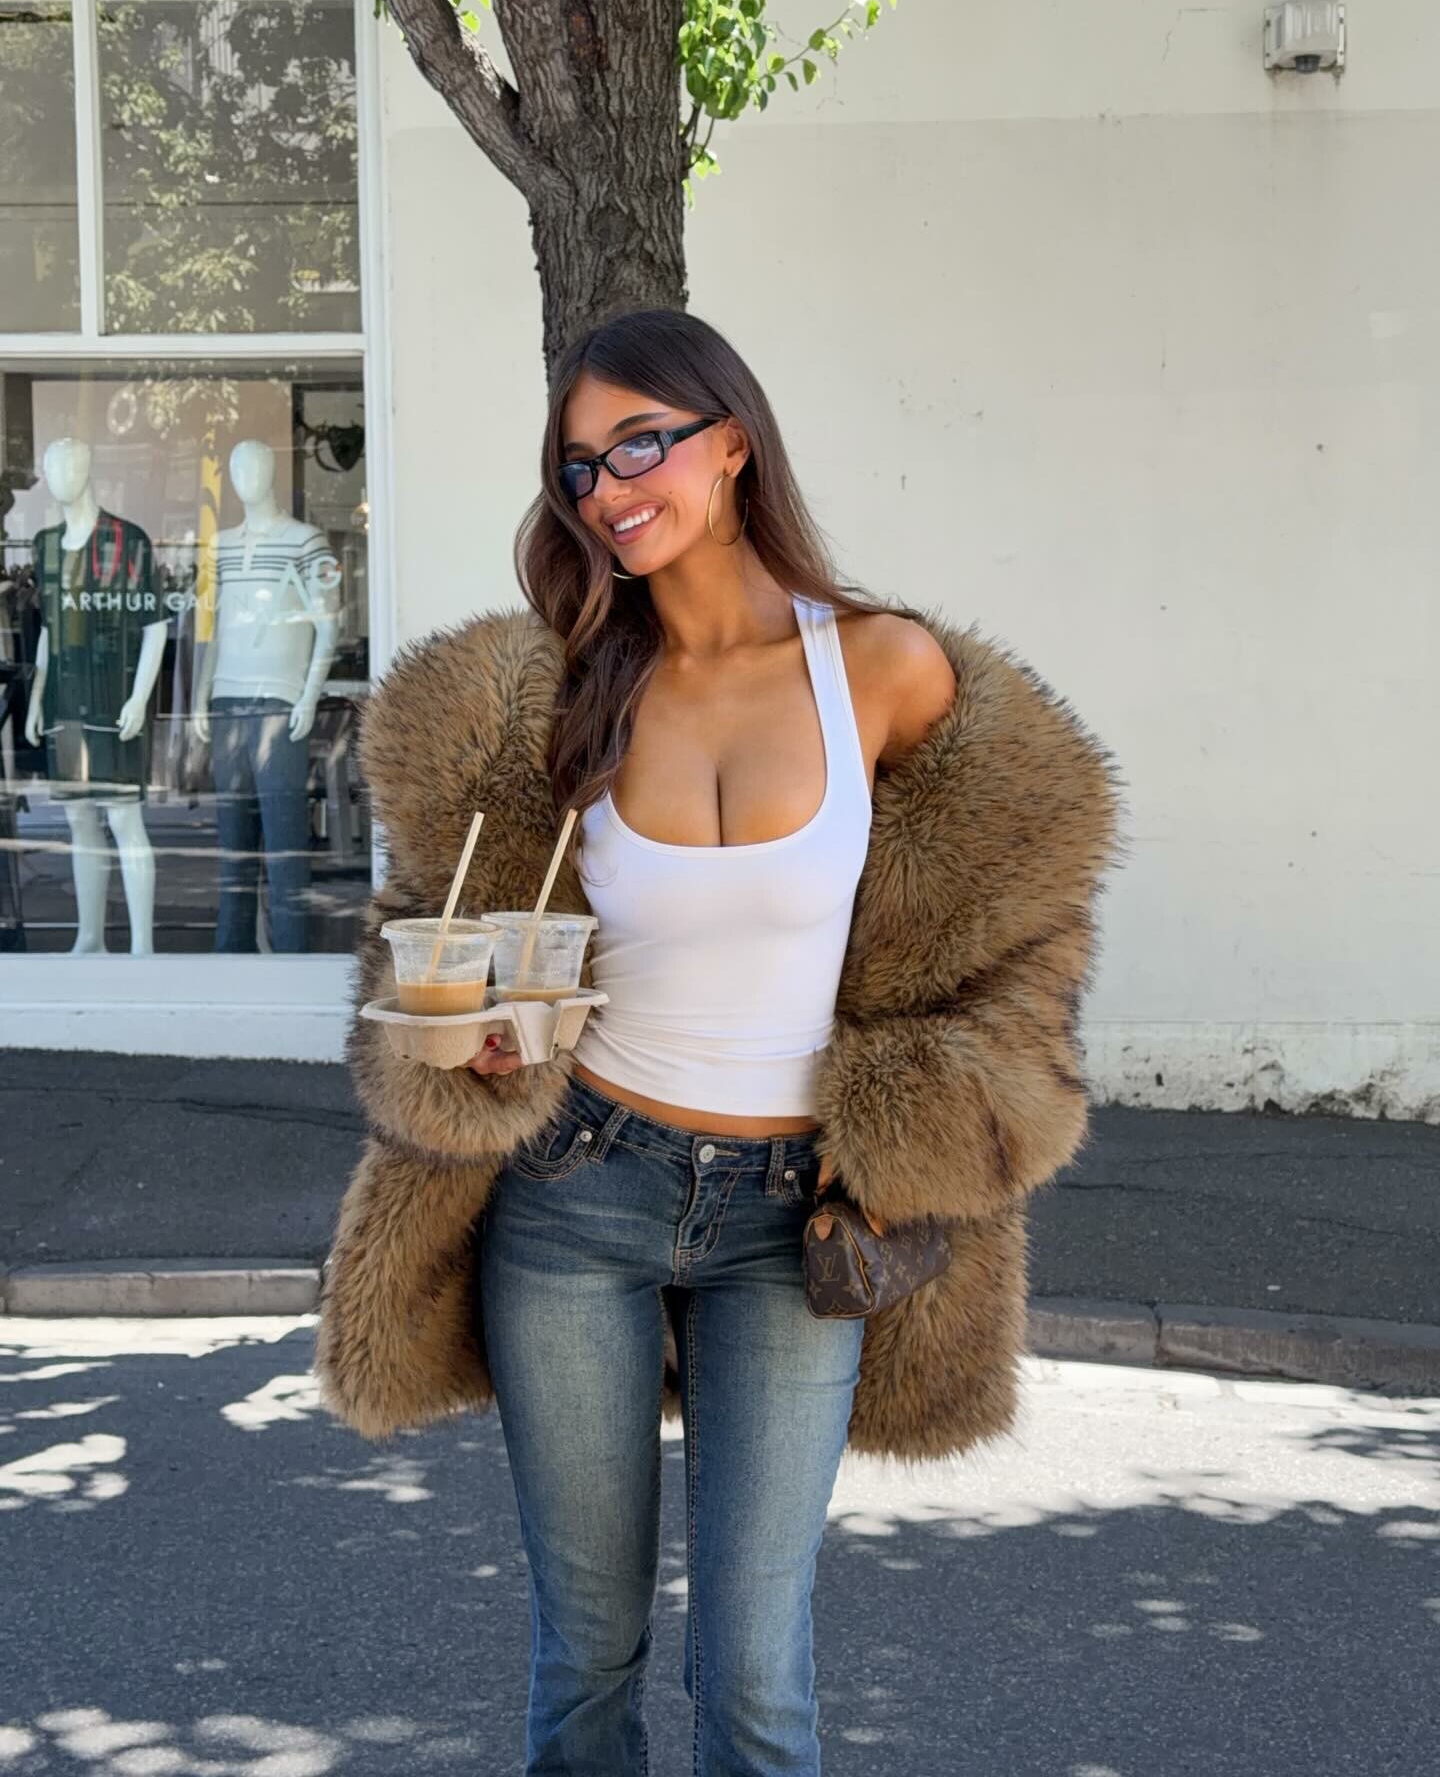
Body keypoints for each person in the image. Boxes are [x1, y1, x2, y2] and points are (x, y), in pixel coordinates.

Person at [315, 307, 1126, 1776]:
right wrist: (481, 1037)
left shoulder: (883, 669)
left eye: (641, 444)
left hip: (792, 1210)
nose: (608, 490)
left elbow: (1019, 935)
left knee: (754, 1669)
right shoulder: (557, 689)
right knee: (587, 1649)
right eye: (580, 467)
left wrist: (931, 1116)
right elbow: (435, 925)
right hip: (578, 1187)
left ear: (733, 442)